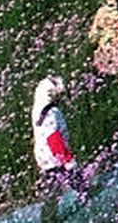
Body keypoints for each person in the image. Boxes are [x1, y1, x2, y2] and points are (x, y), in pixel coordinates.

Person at [32, 76, 80, 221]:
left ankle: (84, 191)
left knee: (59, 184)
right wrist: (67, 160)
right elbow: (54, 138)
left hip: (45, 157)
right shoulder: (51, 112)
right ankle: (48, 219)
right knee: (56, 187)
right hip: (54, 157)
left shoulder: (37, 108)